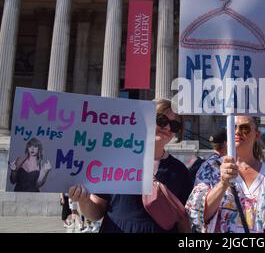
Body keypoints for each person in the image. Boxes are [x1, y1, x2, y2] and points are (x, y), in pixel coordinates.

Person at [69, 99, 193, 233]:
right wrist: (84, 200)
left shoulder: (180, 171)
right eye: (161, 120)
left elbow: (183, 219)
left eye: (174, 125)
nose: (168, 128)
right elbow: (96, 213)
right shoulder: (115, 160)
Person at [186, 115, 265, 233]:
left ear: (256, 134)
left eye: (244, 128)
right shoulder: (211, 168)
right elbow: (196, 215)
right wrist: (222, 184)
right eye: (233, 127)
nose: (237, 132)